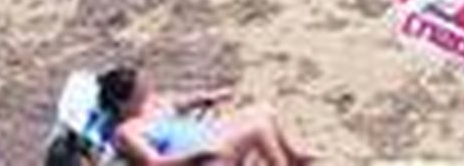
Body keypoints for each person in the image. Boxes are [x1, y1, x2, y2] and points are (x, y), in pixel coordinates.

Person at [98, 66, 313, 165]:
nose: (148, 89)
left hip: (209, 135)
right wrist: (196, 155)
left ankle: (292, 158)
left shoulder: (152, 104)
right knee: (258, 129)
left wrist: (211, 96)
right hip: (201, 159)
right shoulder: (127, 131)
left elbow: (181, 101)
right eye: (141, 89)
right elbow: (155, 162)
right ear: (123, 102)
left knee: (264, 111)